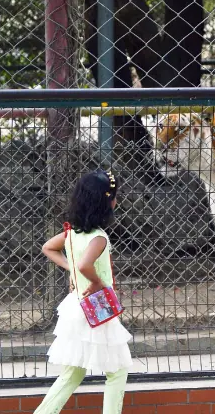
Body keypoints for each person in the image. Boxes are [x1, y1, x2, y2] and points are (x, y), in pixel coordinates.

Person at [34, 170, 132, 414]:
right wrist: (96, 282)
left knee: (72, 373)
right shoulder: (99, 238)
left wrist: (72, 271)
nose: (116, 200)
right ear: (106, 203)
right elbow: (85, 265)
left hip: (76, 307)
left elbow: (48, 248)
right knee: (117, 372)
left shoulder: (71, 233)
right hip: (98, 308)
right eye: (114, 196)